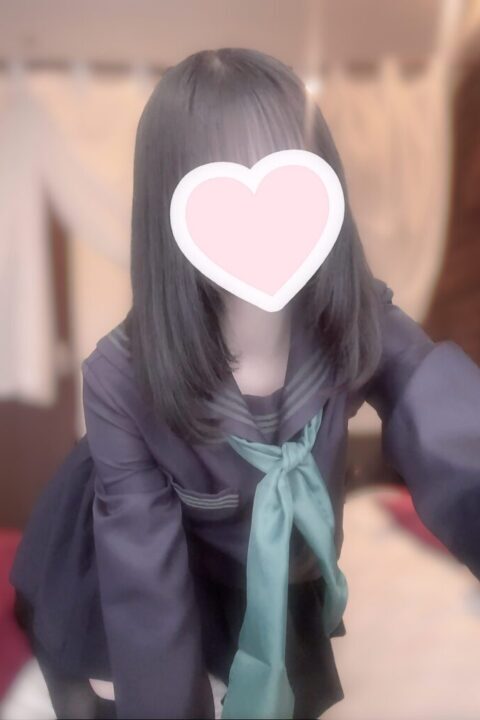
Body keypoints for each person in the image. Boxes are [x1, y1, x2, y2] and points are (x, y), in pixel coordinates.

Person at [10, 47, 480, 720]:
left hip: (270, 566)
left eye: (288, 178)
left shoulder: (352, 314)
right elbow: (146, 583)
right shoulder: (121, 378)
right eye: (226, 189)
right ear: (172, 209)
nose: (265, 221)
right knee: (97, 680)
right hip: (144, 545)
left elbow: (446, 418)